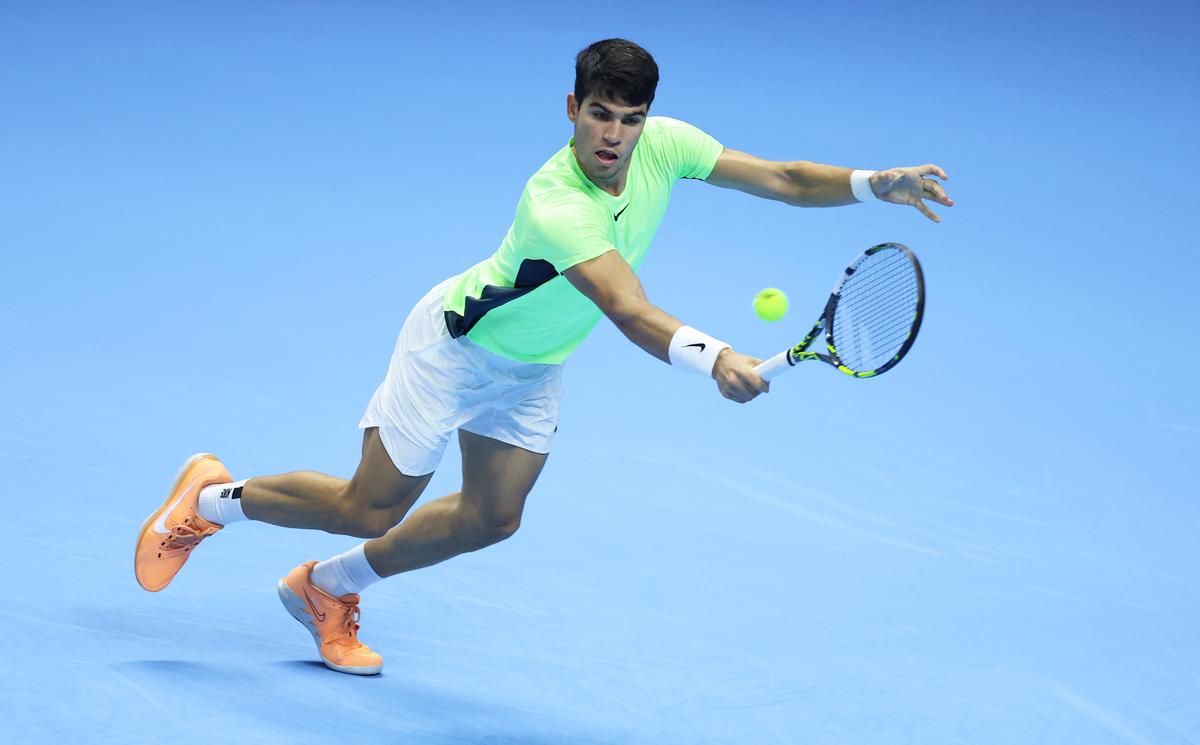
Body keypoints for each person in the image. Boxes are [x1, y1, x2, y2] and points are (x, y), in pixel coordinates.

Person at [134, 38, 954, 676]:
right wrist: (713, 359)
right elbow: (624, 306)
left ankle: (329, 586)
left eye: (630, 119)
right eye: (601, 114)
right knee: (368, 504)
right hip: (455, 349)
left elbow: (777, 175)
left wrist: (870, 181)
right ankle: (213, 499)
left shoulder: (665, 146)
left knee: (494, 516)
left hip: (532, 367)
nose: (616, 135)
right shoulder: (556, 201)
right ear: (572, 108)